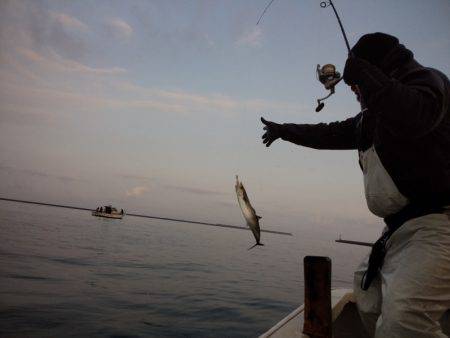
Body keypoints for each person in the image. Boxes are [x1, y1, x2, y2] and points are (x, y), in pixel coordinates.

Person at [261, 33, 450, 337]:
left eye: (355, 84)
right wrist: (284, 130)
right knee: (368, 300)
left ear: (376, 69)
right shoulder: (370, 119)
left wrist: (361, 72)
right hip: (397, 232)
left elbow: (416, 115)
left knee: (404, 321)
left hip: (438, 225)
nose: (353, 91)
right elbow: (328, 133)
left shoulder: (428, 81)